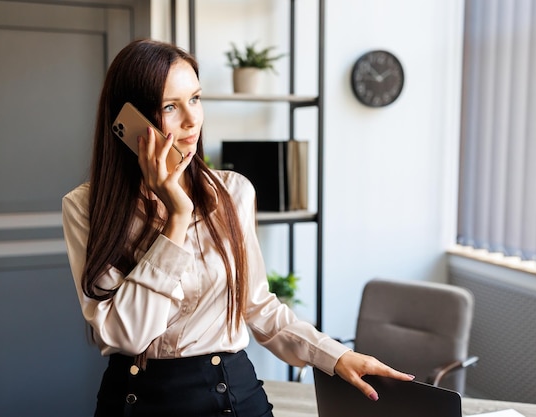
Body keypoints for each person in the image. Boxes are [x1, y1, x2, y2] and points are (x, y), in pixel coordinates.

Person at [62, 39, 414, 417]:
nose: (192, 119)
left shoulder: (232, 192)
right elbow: (128, 334)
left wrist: (335, 356)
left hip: (232, 396)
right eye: (170, 106)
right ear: (129, 122)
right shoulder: (85, 207)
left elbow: (259, 307)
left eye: (195, 99)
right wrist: (177, 217)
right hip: (136, 400)